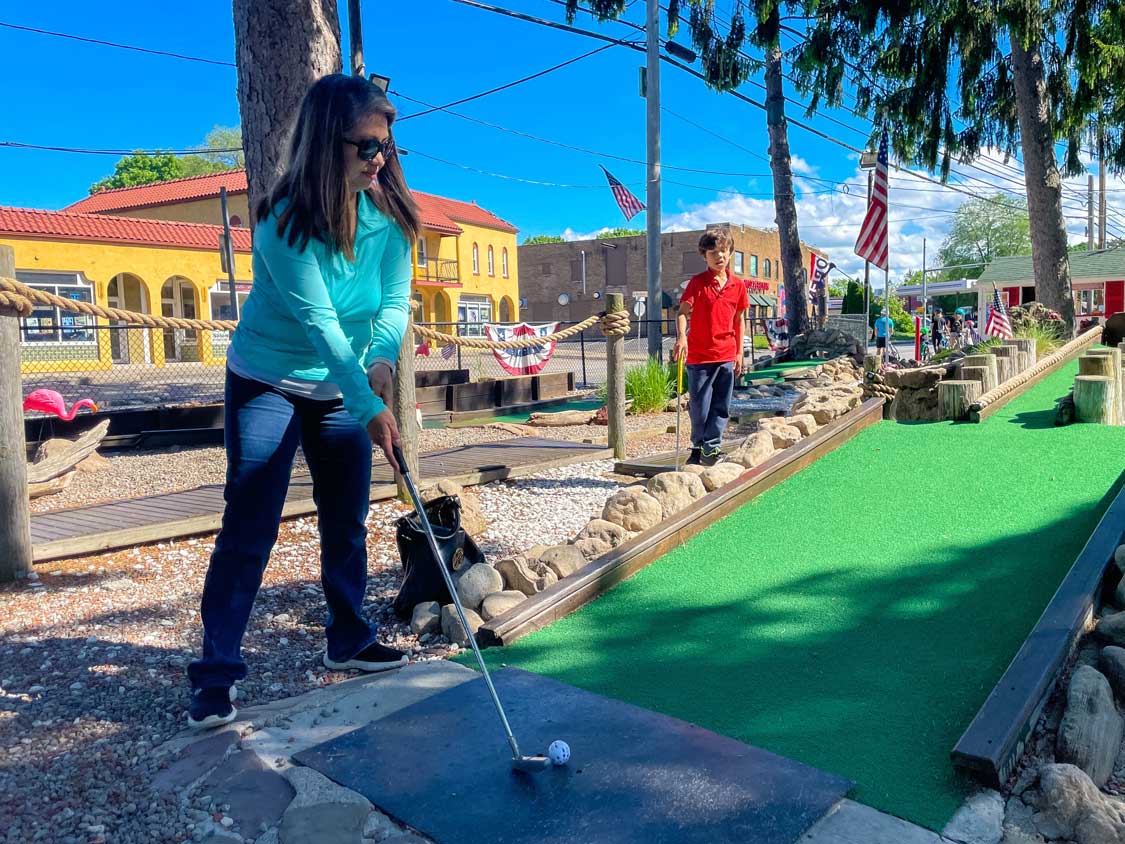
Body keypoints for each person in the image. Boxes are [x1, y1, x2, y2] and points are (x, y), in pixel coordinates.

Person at [186, 74, 420, 729]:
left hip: (341, 380)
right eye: (366, 147)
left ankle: (348, 635)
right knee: (250, 523)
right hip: (268, 377)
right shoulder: (283, 224)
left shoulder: (388, 216)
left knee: (345, 517)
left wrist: (378, 360)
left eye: (387, 147)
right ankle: (215, 673)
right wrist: (369, 406)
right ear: (326, 144)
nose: (381, 159)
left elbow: (395, 301)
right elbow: (318, 322)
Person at [672, 230, 748, 466]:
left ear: (730, 253)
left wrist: (739, 352)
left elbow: (739, 319)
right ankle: (698, 446)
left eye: (723, 252)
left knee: (721, 405)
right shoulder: (697, 283)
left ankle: (711, 448)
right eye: (713, 253)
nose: (719, 257)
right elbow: (683, 313)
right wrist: (682, 338)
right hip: (699, 356)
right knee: (699, 406)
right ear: (704, 256)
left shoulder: (738, 285)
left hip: (726, 354)